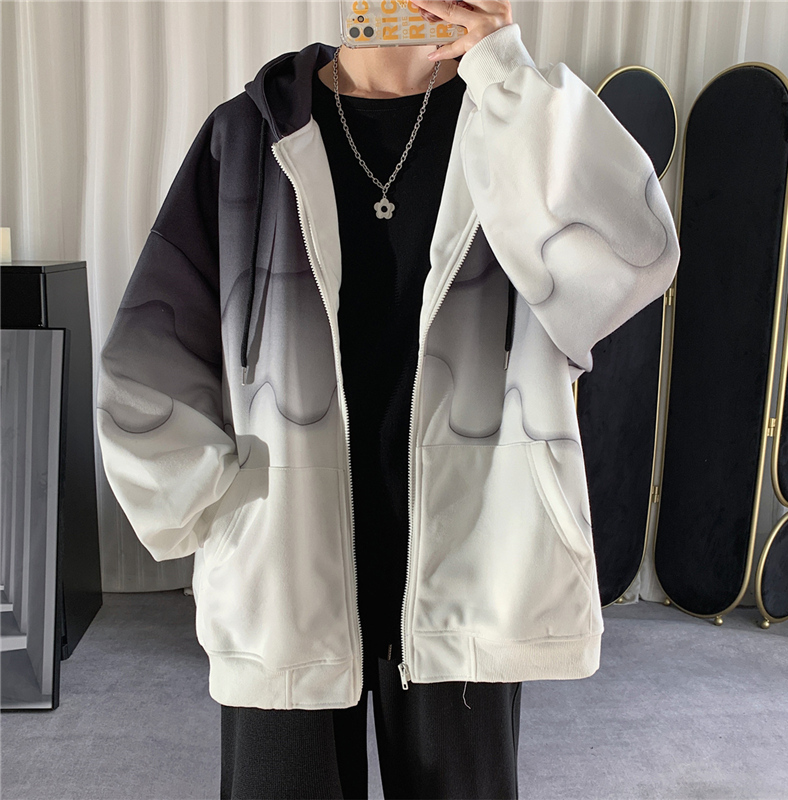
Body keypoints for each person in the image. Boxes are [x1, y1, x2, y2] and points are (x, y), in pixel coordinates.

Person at [96, 1, 681, 797]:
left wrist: (507, 74)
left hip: (475, 557)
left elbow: (633, 261)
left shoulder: (511, 121)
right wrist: (215, 510)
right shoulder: (250, 137)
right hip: (286, 562)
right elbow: (148, 356)